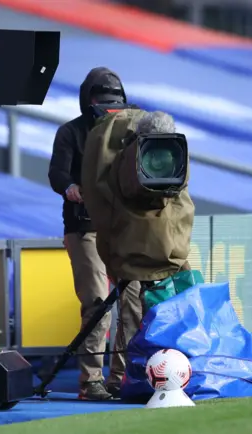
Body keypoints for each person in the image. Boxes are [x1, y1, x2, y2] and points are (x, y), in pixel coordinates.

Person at [48, 67, 142, 401]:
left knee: (132, 301)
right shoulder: (70, 133)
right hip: (83, 226)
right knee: (97, 302)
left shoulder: (129, 131)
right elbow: (57, 173)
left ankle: (122, 376)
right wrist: (72, 188)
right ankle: (91, 382)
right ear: (89, 102)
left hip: (120, 227)